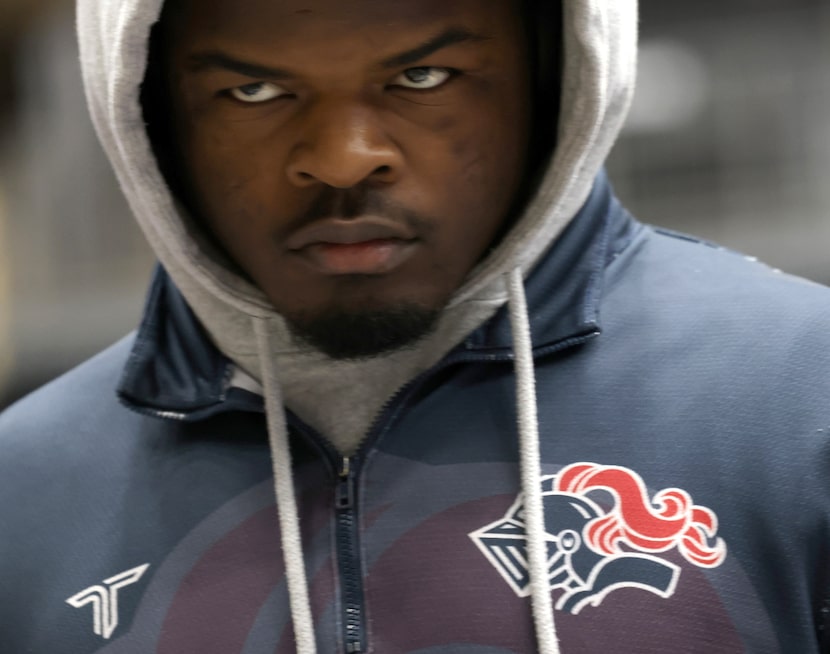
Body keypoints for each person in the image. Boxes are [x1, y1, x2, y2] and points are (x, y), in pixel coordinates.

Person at [1, 0, 829, 652]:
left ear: (557, 77)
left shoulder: (803, 396)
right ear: (148, 115)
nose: (343, 157)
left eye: (425, 76)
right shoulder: (21, 494)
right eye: (253, 91)